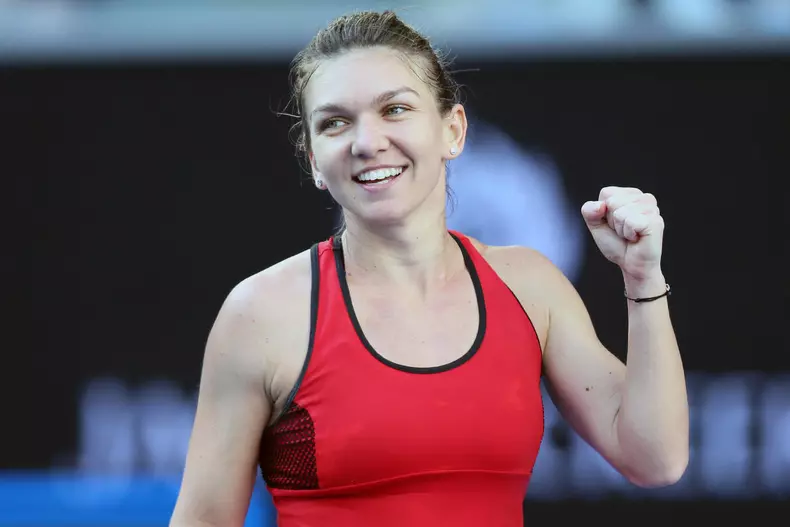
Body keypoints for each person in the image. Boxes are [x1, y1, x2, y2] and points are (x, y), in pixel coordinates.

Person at [169, 10, 689, 527]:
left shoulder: (528, 288)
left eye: (394, 109)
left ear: (453, 131)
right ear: (313, 161)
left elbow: (655, 458)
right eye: (335, 123)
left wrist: (643, 279)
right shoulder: (260, 315)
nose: (367, 142)